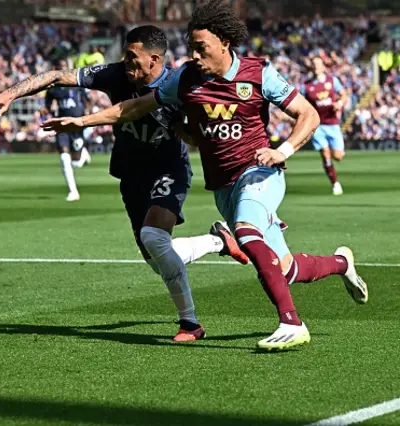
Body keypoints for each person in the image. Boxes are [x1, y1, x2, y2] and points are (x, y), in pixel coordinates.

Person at [41, 0, 368, 351]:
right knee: (283, 269)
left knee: (245, 230)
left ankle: (292, 323)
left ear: (224, 43)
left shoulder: (259, 74)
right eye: (191, 47)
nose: (194, 55)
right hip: (223, 185)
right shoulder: (185, 79)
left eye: (202, 48)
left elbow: (308, 114)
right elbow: (136, 106)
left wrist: (281, 151)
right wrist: (82, 121)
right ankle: (341, 262)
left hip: (260, 172)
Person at [0, 25, 250, 342]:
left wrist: (188, 132)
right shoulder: (116, 74)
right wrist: (11, 92)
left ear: (155, 59)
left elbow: (200, 136)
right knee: (156, 259)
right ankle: (218, 240)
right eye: (125, 57)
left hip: (169, 169)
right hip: (130, 171)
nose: (127, 65)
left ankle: (190, 323)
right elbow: (56, 76)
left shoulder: (179, 84)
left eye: (133, 59)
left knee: (154, 236)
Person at [43, 59, 92, 201]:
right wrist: (44, 109)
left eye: (65, 66)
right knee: (64, 157)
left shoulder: (77, 83)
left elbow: (87, 99)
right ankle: (73, 191)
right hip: (62, 124)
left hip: (77, 123)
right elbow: (47, 104)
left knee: (76, 161)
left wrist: (89, 113)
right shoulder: (53, 88)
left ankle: (83, 153)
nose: (64, 69)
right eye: (61, 67)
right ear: (57, 68)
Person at [301, 56, 349, 195]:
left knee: (337, 156)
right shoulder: (306, 86)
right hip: (318, 125)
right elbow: (302, 104)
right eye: (314, 64)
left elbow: (344, 95)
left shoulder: (332, 80)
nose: (316, 67)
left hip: (333, 124)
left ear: (323, 66)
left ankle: (339, 155)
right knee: (325, 153)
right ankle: (335, 183)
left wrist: (339, 104)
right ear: (311, 67)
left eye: (318, 64)